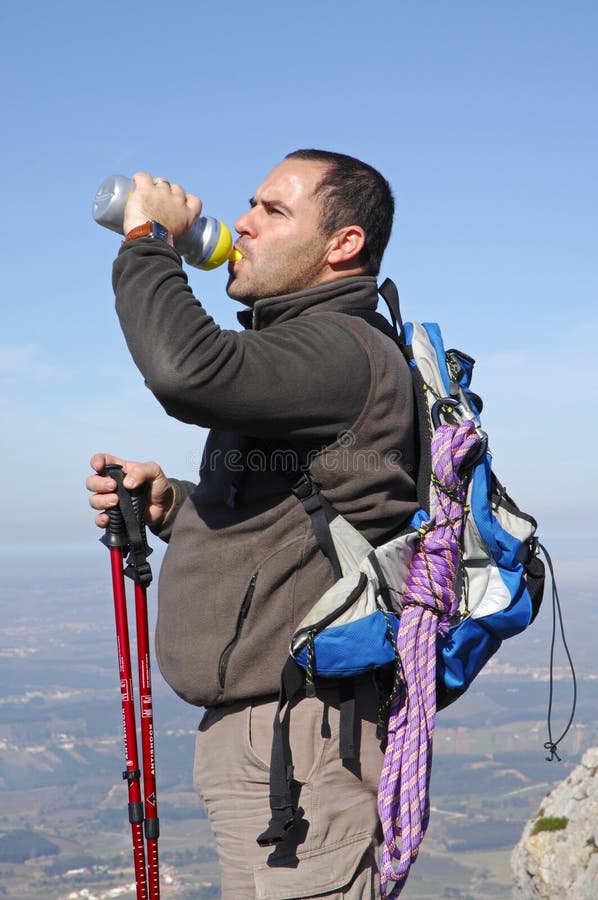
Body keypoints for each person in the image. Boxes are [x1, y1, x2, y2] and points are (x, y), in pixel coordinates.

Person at [87, 150, 419, 899]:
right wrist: (172, 503)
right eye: (251, 206)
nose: (242, 224)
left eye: (273, 210)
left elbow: (185, 371)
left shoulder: (341, 350)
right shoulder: (309, 352)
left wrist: (147, 241)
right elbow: (289, 515)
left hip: (299, 751)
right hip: (277, 744)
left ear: (344, 244)